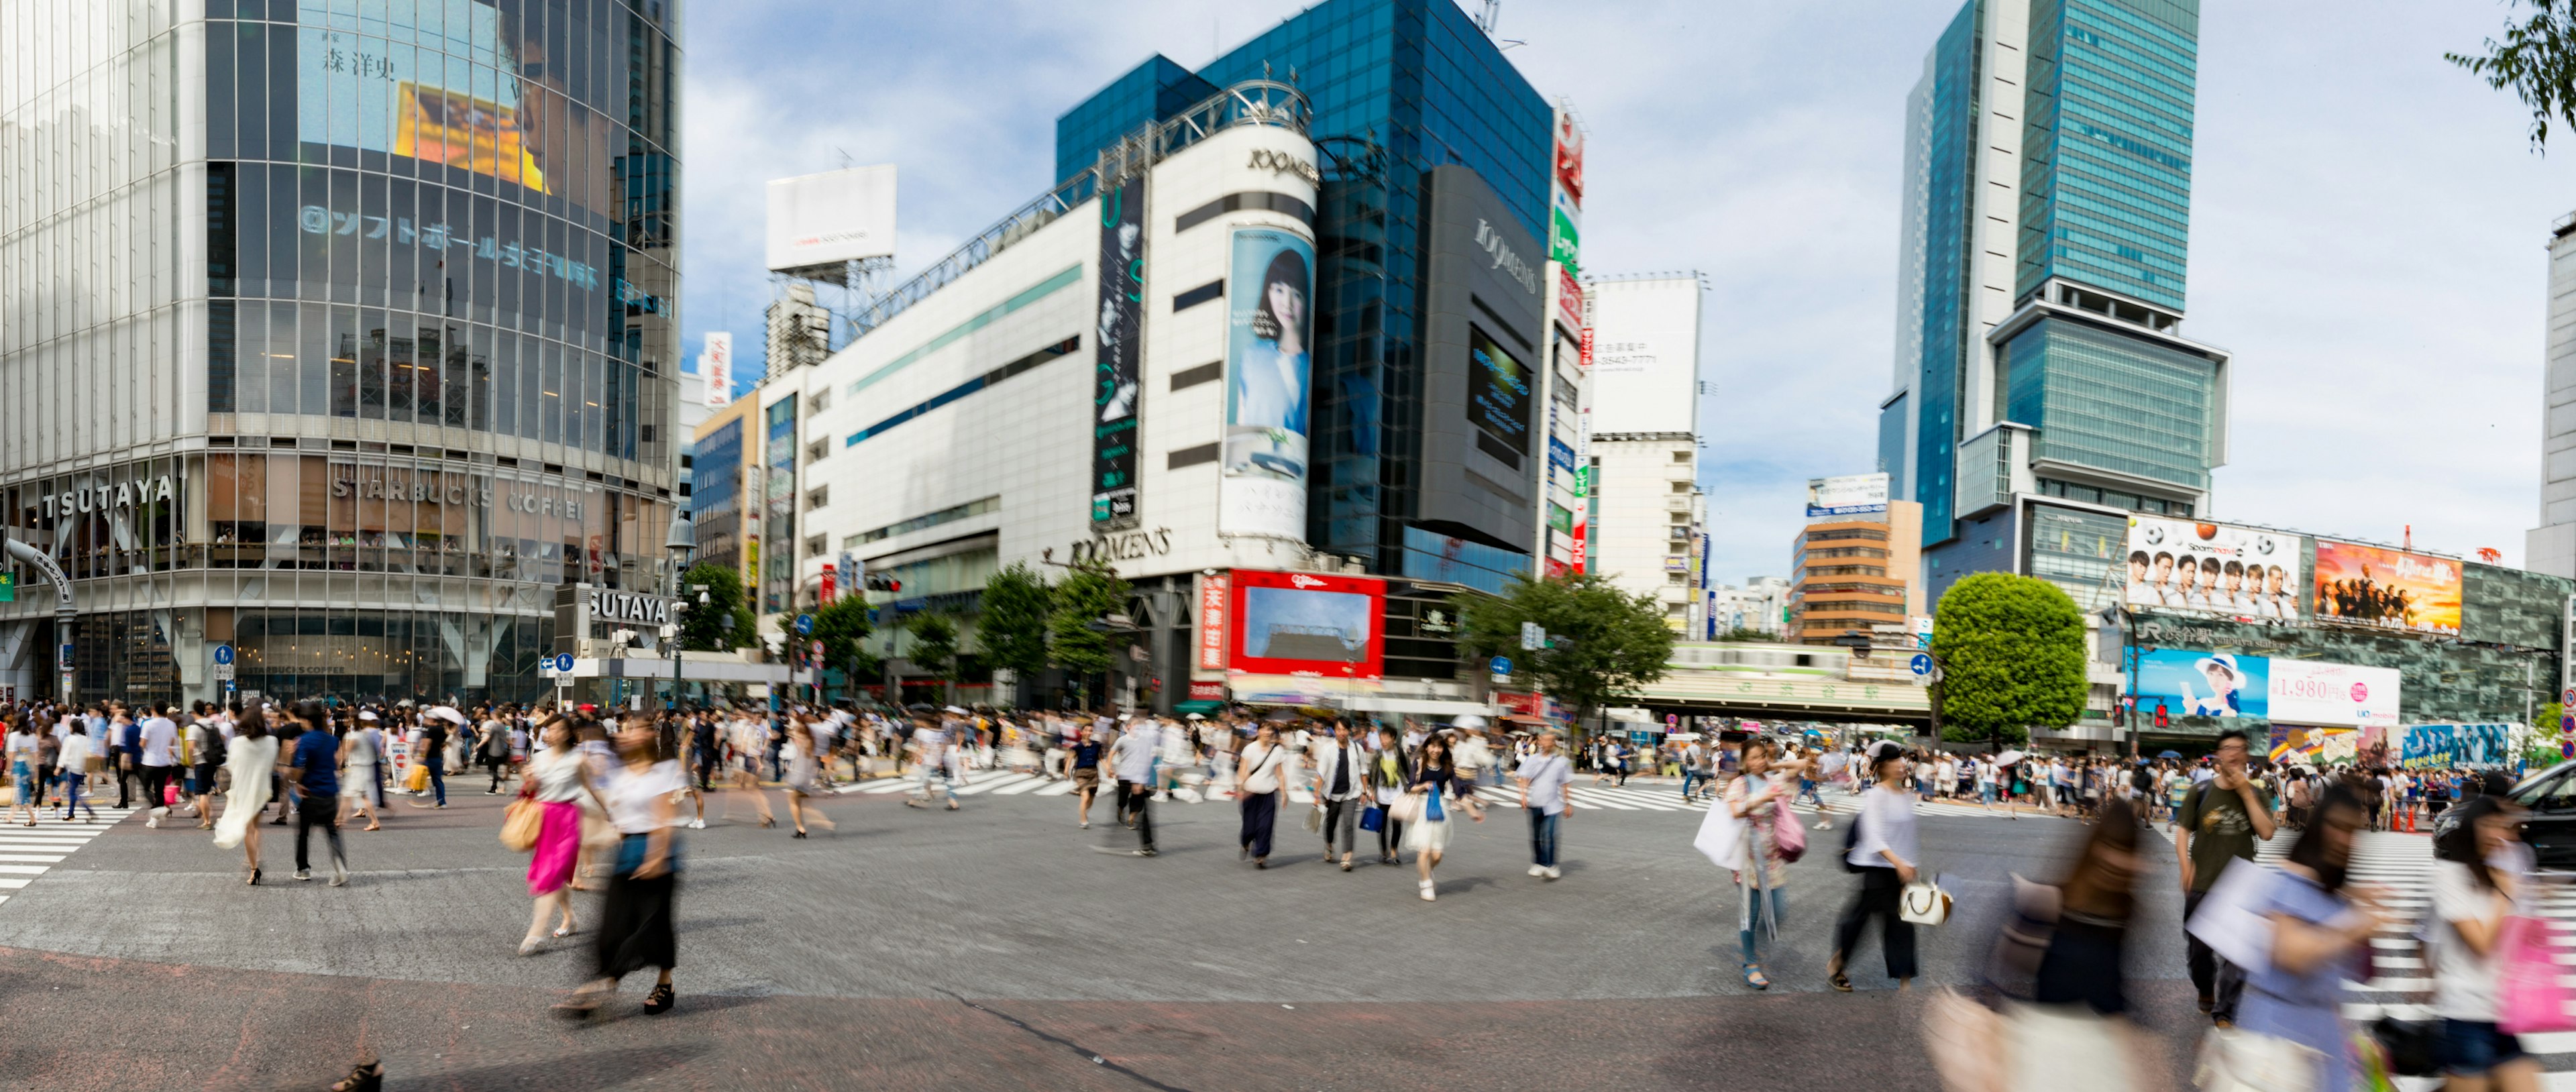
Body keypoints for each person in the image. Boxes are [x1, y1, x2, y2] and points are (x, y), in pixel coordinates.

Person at [2232, 785, 2387, 1092]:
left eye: (2353, 831)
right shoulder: (2287, 880)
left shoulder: (2336, 894)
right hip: (2278, 1040)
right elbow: (2292, 954)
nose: (2345, 840)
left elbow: (2365, 973)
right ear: (2318, 826)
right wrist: (2357, 925)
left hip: (2324, 1038)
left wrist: (2361, 918)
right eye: (2337, 827)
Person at [554, 724, 684, 1020]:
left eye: (633, 730)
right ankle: (602, 983)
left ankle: (658, 985)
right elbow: (613, 813)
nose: (625, 735)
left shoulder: (664, 772)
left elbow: (665, 819)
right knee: (613, 927)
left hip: (659, 855)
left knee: (653, 926)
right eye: (624, 731)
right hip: (627, 856)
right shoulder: (620, 775)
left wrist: (657, 857)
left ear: (649, 738)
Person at [2429, 794, 2539, 1090]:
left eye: (2502, 826)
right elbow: (2482, 944)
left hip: (2503, 1012)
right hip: (2467, 1015)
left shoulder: (2501, 876)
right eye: (2488, 825)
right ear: (2470, 829)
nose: (2497, 834)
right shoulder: (2449, 877)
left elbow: (2513, 938)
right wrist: (2505, 894)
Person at [2176, 728, 2277, 1027]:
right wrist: (2185, 866)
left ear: (2246, 754)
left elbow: (2267, 832)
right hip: (2203, 882)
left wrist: (2245, 791)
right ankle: (2205, 988)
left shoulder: (2257, 793)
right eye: (2227, 747)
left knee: (2236, 955)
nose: (2233, 753)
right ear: (2218, 754)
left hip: (2243, 887)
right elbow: (2183, 830)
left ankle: (2226, 1011)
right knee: (2199, 954)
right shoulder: (2201, 791)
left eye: (2240, 748)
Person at [1829, 747, 1919, 992]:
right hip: (1877, 866)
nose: (1902, 766)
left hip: (1899, 869)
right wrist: (1898, 862)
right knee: (1860, 920)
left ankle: (1905, 979)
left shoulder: (1904, 795)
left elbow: (1908, 837)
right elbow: (1874, 836)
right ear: (1883, 767)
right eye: (1896, 762)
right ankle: (1838, 964)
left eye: (1902, 762)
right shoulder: (1876, 795)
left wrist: (1910, 864)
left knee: (1900, 921)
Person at [1727, 739, 1813, 989]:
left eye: (1761, 756)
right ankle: (1751, 965)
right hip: (1747, 859)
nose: (1758, 761)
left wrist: (1772, 764)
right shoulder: (1739, 784)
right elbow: (1735, 811)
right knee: (1750, 915)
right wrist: (1760, 798)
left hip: (1772, 859)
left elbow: (1802, 763)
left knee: (1778, 911)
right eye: (1752, 758)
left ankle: (1753, 947)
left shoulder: (1772, 780)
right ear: (1744, 761)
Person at [522, 717, 599, 955]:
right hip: (545, 818)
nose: (553, 733)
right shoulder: (539, 757)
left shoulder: (578, 759)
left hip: (568, 819)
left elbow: (592, 788)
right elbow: (530, 790)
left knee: (551, 875)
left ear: (568, 733)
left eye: (559, 729)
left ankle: (536, 933)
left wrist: (611, 814)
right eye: (550, 729)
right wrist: (527, 780)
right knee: (555, 875)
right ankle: (570, 917)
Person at [284, 702, 348, 885]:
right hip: (330, 791)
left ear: (307, 720)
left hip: (310, 793)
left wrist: (296, 782)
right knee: (332, 832)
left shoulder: (304, 741)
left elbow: (299, 769)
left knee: (304, 833)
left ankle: (303, 869)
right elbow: (336, 763)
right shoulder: (332, 739)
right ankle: (340, 865)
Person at [213, 708, 277, 883]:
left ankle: (254, 869)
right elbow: (272, 766)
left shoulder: (237, 742)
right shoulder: (272, 741)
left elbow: (232, 765)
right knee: (256, 827)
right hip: (262, 789)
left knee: (248, 829)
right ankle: (255, 857)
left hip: (243, 789)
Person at [1309, 720, 1369, 871]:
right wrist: (1316, 795)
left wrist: (1364, 790)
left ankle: (1347, 857)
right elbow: (1321, 774)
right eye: (1339, 729)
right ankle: (1329, 845)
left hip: (1351, 793)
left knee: (1348, 825)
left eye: (1345, 729)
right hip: (1331, 794)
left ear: (1349, 731)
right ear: (1335, 731)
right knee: (1331, 824)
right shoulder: (1328, 749)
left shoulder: (1357, 749)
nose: (1342, 732)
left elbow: (1364, 770)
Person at [1515, 730, 1573, 879]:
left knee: (1550, 835)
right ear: (1540, 741)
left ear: (1554, 743)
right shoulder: (1532, 760)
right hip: (1535, 803)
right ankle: (1538, 863)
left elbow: (1565, 783)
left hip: (1553, 805)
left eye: (1551, 740)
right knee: (1535, 836)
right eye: (1545, 740)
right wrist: (1523, 796)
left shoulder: (1561, 762)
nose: (1547, 743)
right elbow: (1523, 778)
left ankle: (1551, 865)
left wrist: (1568, 803)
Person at [1237, 722, 1291, 868]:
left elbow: (1279, 774)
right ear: (1259, 731)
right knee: (1249, 827)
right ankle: (1245, 842)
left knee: (1265, 826)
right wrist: (1241, 786)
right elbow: (1243, 769)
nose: (1267, 732)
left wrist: (1284, 793)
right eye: (1264, 729)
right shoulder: (1250, 749)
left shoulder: (1278, 750)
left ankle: (1261, 855)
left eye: (1270, 729)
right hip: (1251, 793)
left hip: (1268, 793)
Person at [138, 705, 178, 826]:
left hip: (150, 761)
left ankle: (157, 809)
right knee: (160, 790)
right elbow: (172, 742)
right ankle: (154, 820)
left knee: (145, 789)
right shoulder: (171, 724)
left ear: (153, 711)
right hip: (165, 762)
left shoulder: (148, 724)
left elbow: (143, 743)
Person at [55, 722, 98, 822]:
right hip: (82, 770)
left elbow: (64, 754)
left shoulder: (70, 739)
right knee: (73, 791)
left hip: (73, 768)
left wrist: (59, 767)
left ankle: (88, 810)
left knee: (73, 793)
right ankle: (71, 814)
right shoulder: (86, 739)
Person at [5, 714, 40, 827]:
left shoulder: (14, 736)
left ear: (16, 723)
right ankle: (11, 815)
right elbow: (35, 754)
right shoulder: (32, 736)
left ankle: (32, 818)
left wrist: (8, 769)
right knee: (20, 791)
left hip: (19, 766)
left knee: (22, 792)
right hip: (29, 766)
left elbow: (12, 754)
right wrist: (35, 770)